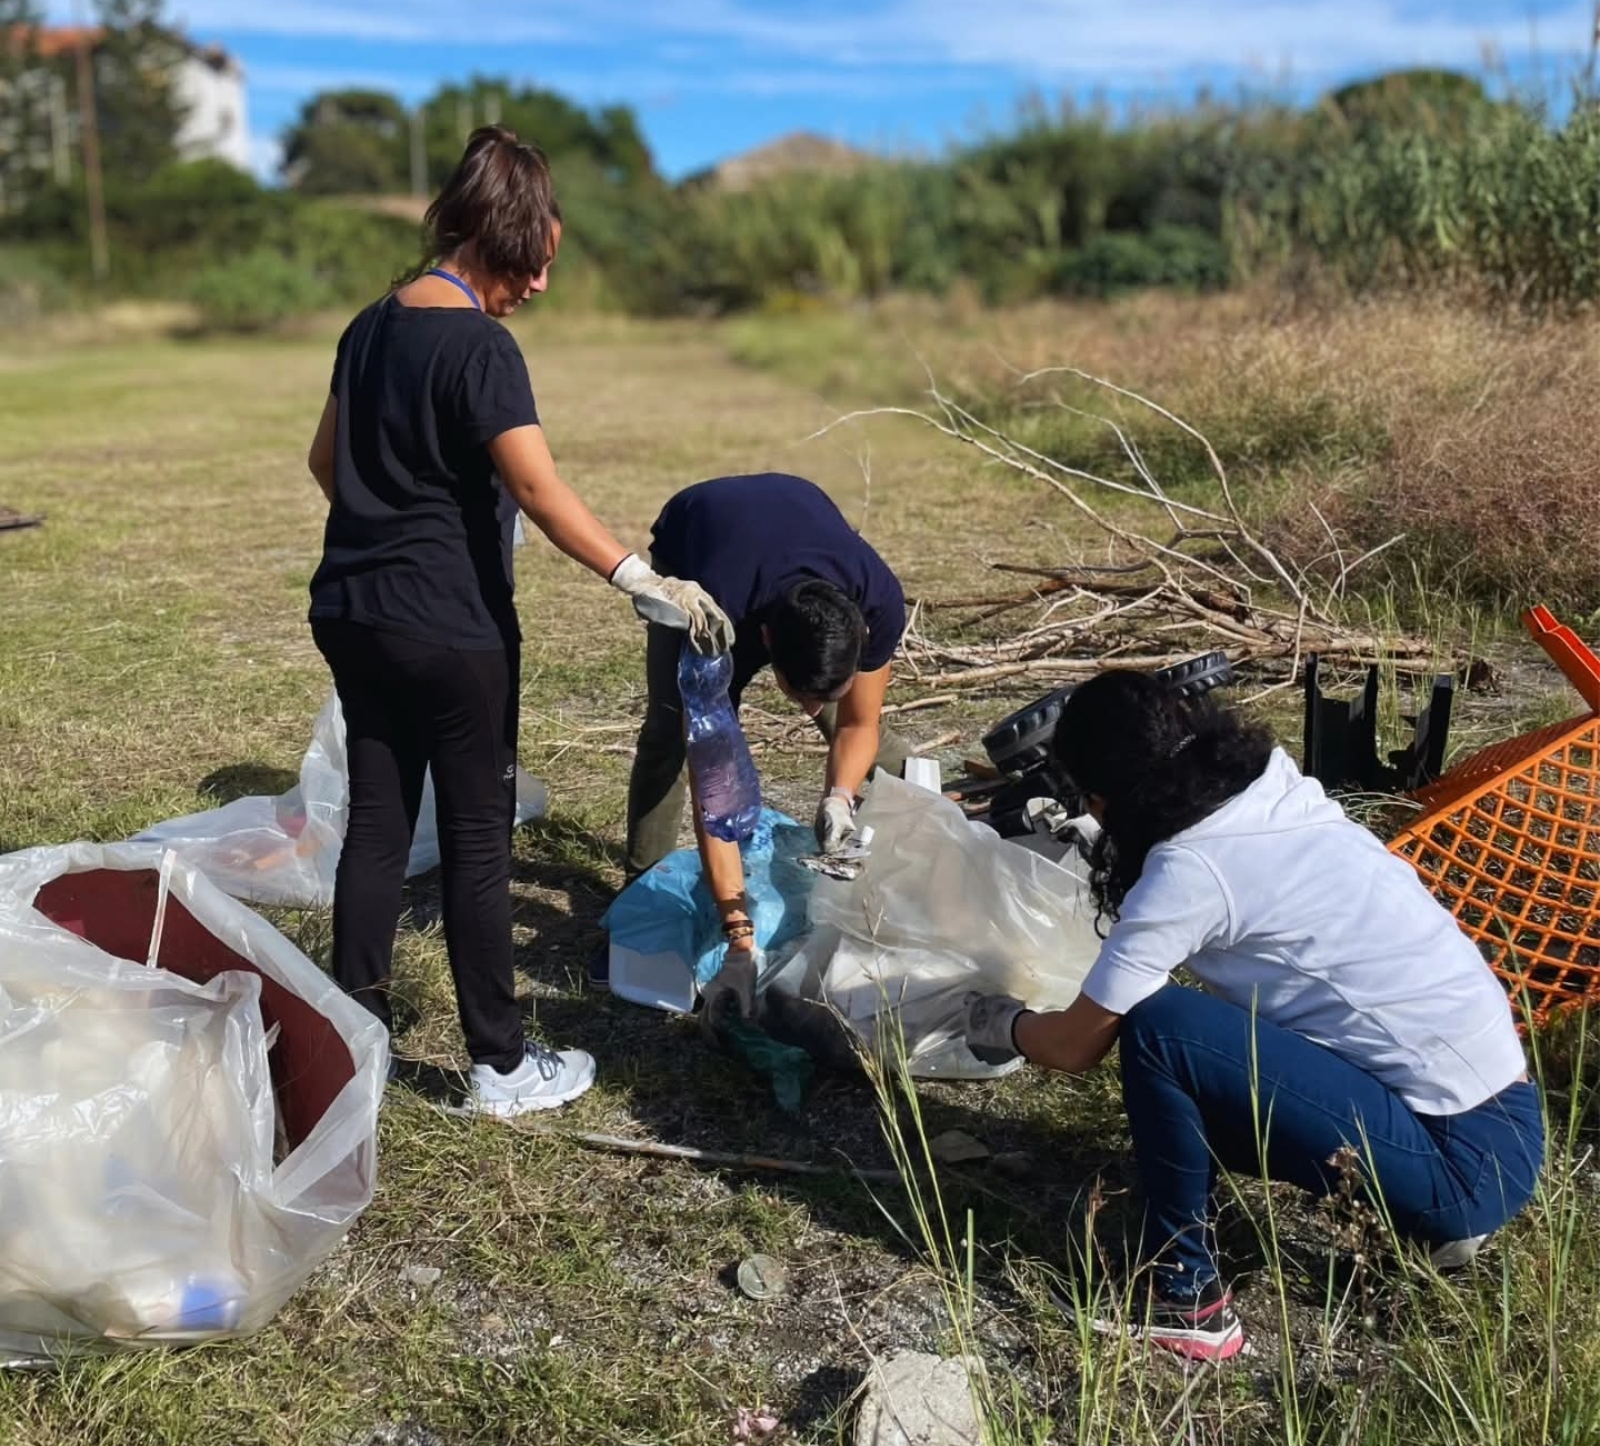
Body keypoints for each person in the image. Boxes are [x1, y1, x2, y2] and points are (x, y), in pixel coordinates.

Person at [305, 126, 732, 1120]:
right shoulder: (481, 347)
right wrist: (638, 575)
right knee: (475, 841)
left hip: (353, 611)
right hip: (450, 631)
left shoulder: (369, 325)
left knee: (377, 824)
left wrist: (400, 526)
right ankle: (498, 1065)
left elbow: (326, 462)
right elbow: (538, 489)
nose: (539, 285)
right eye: (534, 263)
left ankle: (354, 1042)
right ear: (496, 239)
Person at [963, 669, 1543, 1363]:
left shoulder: (1189, 872)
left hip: (1459, 1162)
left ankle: (1187, 1299)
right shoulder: (1274, 785)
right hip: (1506, 1117)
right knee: (1194, 1074)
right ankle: (1423, 1221)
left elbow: (1073, 1046)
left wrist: (1003, 1023)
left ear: (1103, 800)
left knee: (1161, 1029)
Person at [617, 472, 910, 1015]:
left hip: (792, 514)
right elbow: (716, 796)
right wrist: (739, 936)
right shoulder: (713, 623)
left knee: (845, 719)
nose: (806, 711)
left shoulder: (878, 602)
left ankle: (929, 801)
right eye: (796, 694)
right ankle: (641, 885)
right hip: (698, 536)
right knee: (670, 731)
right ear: (768, 642)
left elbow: (859, 723)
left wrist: (839, 797)